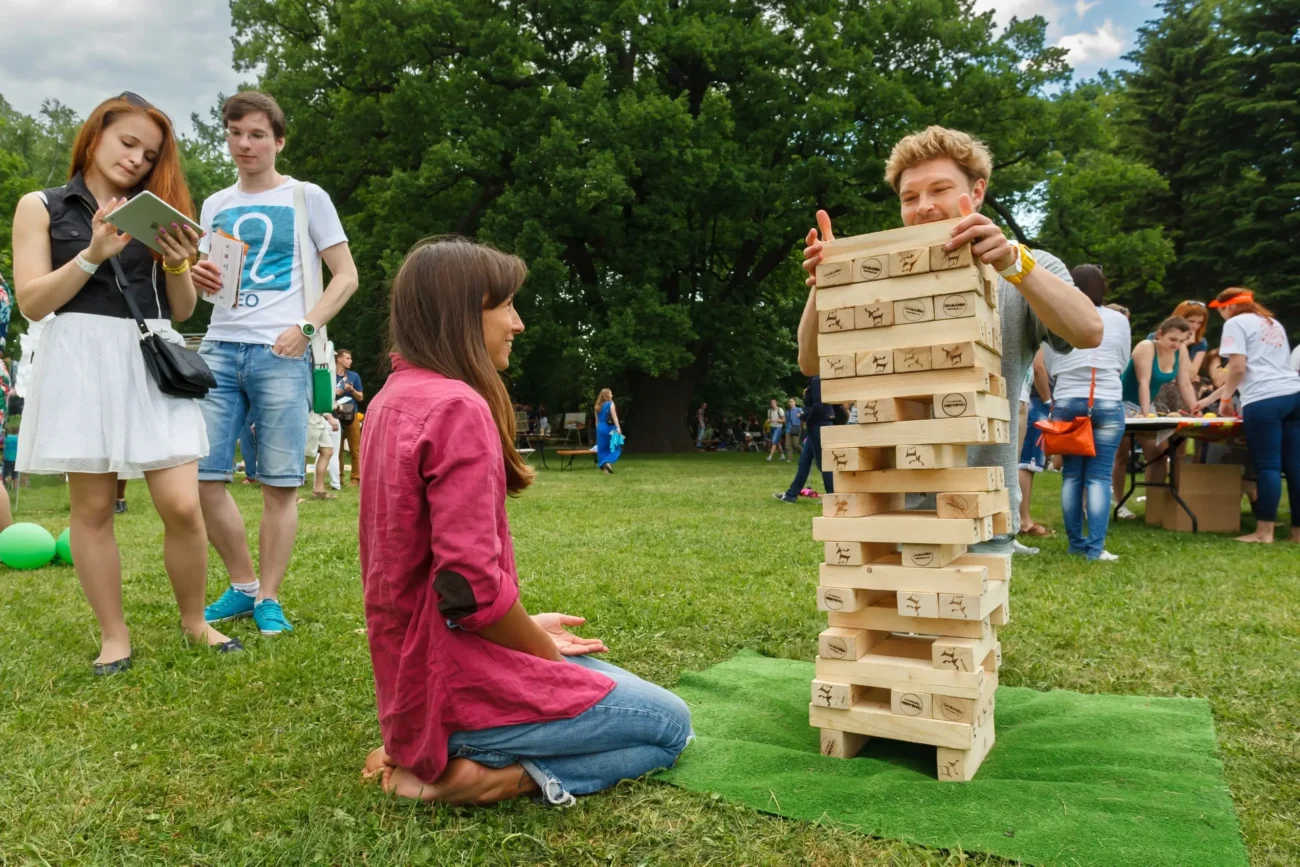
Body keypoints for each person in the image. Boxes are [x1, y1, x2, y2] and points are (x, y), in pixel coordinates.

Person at [358, 237, 692, 805]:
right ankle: (488, 777)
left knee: (622, 695)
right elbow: (469, 589)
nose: (519, 322)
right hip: (457, 692)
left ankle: (423, 744)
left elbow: (428, 582)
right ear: (463, 314)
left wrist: (525, 632)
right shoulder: (457, 406)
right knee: (670, 726)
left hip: (414, 684)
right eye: (505, 305)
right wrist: (539, 649)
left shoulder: (392, 399)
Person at [10, 92, 239, 672]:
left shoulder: (157, 211)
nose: (137, 158)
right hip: (80, 357)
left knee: (182, 506)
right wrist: (91, 253)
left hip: (150, 357)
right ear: (95, 136)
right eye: (127, 142)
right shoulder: (43, 205)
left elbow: (182, 310)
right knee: (91, 509)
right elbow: (34, 303)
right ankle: (115, 636)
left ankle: (195, 622)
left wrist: (181, 263)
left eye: (150, 152)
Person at [797, 127, 1102, 552]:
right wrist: (824, 285)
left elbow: (1089, 331)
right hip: (882, 501)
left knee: (961, 615)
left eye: (940, 189)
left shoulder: (1025, 266)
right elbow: (810, 362)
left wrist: (1016, 264)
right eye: (909, 197)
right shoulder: (877, 272)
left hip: (976, 507)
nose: (924, 207)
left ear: (976, 192)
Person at [191, 92, 359, 636]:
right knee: (202, 478)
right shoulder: (214, 204)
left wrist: (305, 329)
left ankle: (269, 596)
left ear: (278, 141)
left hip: (282, 352)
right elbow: (212, 280)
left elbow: (346, 276)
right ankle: (242, 585)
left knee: (280, 484)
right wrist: (197, 277)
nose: (245, 143)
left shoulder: (307, 197)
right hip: (217, 346)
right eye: (236, 132)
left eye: (257, 134)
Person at [1042, 265, 1131, 561]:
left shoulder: (1058, 318)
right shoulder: (1118, 319)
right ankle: (1095, 548)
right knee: (1099, 478)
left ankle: (1075, 544)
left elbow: (1052, 363)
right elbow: (1122, 361)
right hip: (1106, 398)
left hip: (1066, 400)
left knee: (1072, 477)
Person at [1210, 287, 1300, 544]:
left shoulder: (1235, 323)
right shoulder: (1271, 323)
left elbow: (1238, 368)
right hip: (1293, 394)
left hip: (1264, 399)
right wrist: (1211, 398)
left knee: (1268, 466)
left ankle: (1264, 532)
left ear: (1228, 307)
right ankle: (1297, 534)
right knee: (1295, 468)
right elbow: (1261, 367)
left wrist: (1226, 401)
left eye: (1220, 309)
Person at [1113, 316, 1200, 518]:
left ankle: (1155, 504)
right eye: (1172, 339)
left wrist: (1195, 408)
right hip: (1123, 403)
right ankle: (1119, 503)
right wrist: (1145, 415)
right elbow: (1144, 382)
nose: (1176, 345)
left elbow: (1184, 383)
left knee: (1158, 455)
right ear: (1159, 335)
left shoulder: (1180, 351)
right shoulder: (1146, 347)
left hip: (1146, 405)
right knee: (1122, 455)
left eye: (1181, 341)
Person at [774, 376, 835, 503]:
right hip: (816, 425)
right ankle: (791, 494)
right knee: (804, 461)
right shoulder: (815, 380)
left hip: (818, 425)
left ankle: (833, 496)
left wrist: (807, 419)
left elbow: (819, 405)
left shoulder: (817, 380)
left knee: (823, 463)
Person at [1017, 349, 1053, 542]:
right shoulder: (1036, 325)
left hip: (1028, 398)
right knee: (1026, 464)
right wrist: (1049, 401)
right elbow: (1038, 366)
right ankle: (1024, 521)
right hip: (1034, 401)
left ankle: (1020, 518)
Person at [1150, 301, 1209, 378]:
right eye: (1191, 321)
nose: (1195, 326)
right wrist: (1183, 344)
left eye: (1199, 323)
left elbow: (1191, 375)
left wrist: (1183, 346)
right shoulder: (1157, 336)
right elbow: (1157, 369)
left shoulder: (1201, 342)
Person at [334, 347, 364, 485]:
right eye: (347, 358)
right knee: (337, 450)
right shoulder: (329, 375)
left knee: (355, 449)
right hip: (335, 414)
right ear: (339, 359)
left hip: (351, 414)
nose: (350, 361)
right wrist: (336, 392)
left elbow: (361, 397)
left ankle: (355, 479)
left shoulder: (354, 376)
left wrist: (352, 390)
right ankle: (339, 479)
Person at [302, 412, 338, 501]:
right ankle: (292, 494)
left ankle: (319, 490)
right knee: (303, 455)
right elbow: (317, 400)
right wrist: (330, 417)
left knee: (327, 451)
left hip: (319, 420)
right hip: (310, 419)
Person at [594, 387, 623, 474]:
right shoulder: (610, 403)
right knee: (616, 448)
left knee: (602, 448)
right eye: (610, 393)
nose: (612, 395)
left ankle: (605, 470)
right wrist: (618, 428)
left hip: (600, 427)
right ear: (607, 395)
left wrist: (598, 431)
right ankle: (607, 462)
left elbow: (596, 421)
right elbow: (614, 416)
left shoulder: (597, 406)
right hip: (610, 427)